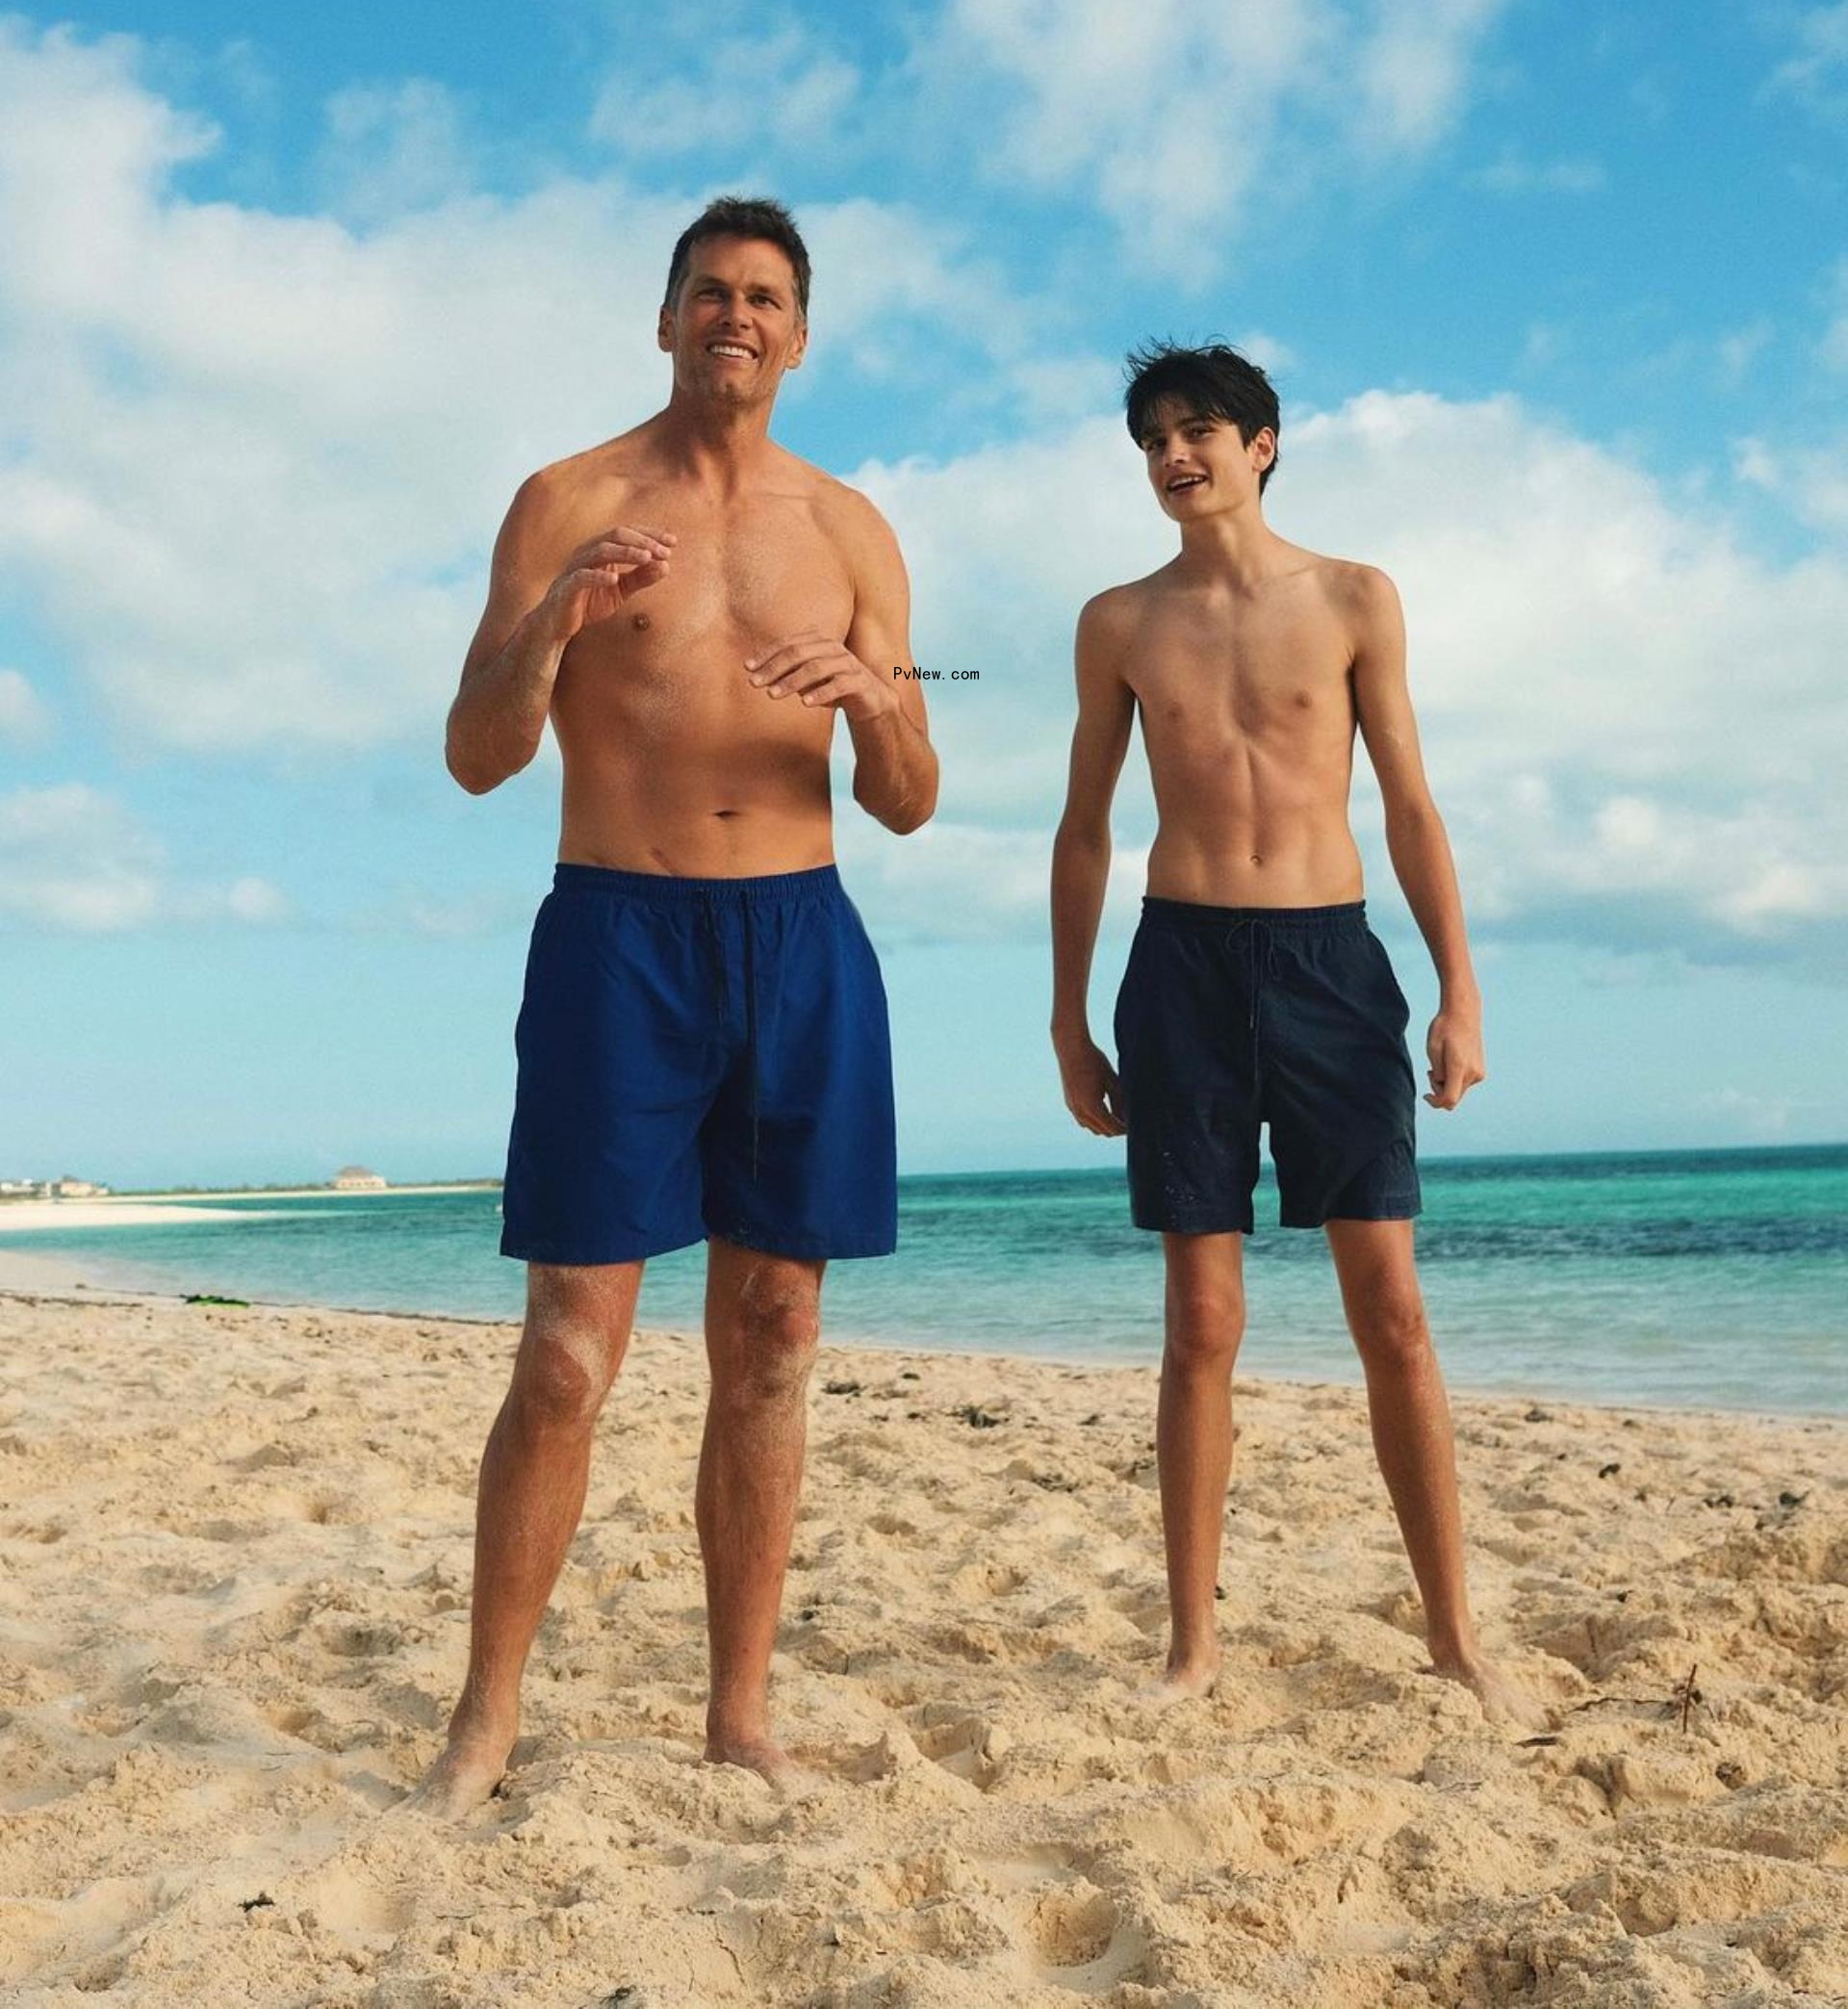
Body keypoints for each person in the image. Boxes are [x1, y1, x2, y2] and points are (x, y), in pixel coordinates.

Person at [412, 196, 937, 1815]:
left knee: (774, 1340)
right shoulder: (566, 500)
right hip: (616, 937)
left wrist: (878, 708)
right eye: (711, 291)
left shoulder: (851, 530)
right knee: (570, 1354)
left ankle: (740, 1715)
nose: (737, 316)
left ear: (800, 336)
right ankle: (484, 1720)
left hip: (799, 937)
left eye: (766, 298)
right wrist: (555, 619)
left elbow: (911, 798)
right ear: (665, 320)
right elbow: (477, 754)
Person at [1050, 341, 1534, 1723]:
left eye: (1198, 431)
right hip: (1182, 969)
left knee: (1393, 1311)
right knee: (1201, 1322)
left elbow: (1411, 806)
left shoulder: (1355, 598)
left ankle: (1455, 1639)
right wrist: (1069, 1020)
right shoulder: (1119, 622)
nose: (1173, 456)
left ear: (1261, 444)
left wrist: (1459, 990)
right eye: (1154, 440)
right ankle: (1191, 1649)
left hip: (1333, 964)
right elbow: (1084, 828)